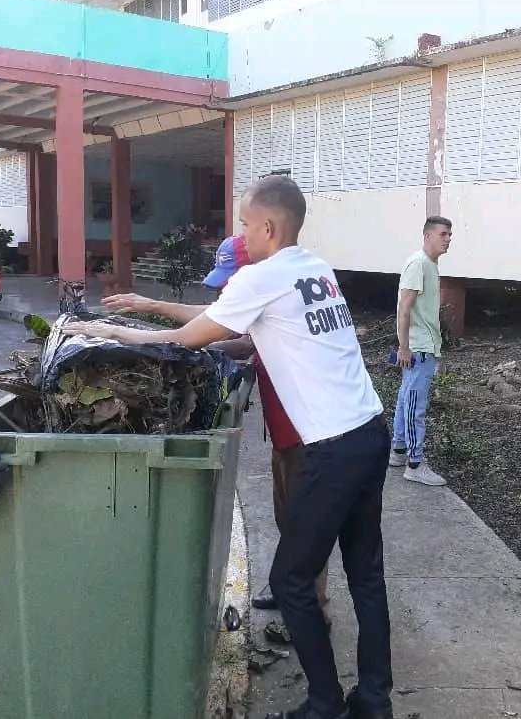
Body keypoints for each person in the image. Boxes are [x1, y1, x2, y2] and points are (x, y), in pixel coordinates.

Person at [65, 175, 393, 719]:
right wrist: (151, 311)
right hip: (370, 433)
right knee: (366, 575)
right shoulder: (315, 268)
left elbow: (186, 339)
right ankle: (374, 700)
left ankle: (326, 703)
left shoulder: (263, 275)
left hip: (332, 449)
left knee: (291, 580)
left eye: (244, 223)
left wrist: (113, 334)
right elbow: (247, 335)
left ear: (267, 227)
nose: (243, 233)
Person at [103, 234, 331, 616]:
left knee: (308, 525)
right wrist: (154, 305)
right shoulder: (268, 296)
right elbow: (225, 327)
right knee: (290, 520)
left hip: (306, 432)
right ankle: (290, 587)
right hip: (287, 431)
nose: (226, 288)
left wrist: (116, 333)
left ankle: (311, 607)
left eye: (230, 278)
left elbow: (204, 333)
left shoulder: (268, 290)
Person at [389, 216, 452, 486]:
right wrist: (404, 346)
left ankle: (399, 451)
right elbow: (404, 308)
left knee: (406, 399)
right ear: (427, 236)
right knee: (415, 405)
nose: (448, 239)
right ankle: (415, 464)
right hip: (418, 349)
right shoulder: (419, 264)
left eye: (450, 235)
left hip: (423, 347)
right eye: (443, 234)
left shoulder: (429, 265)